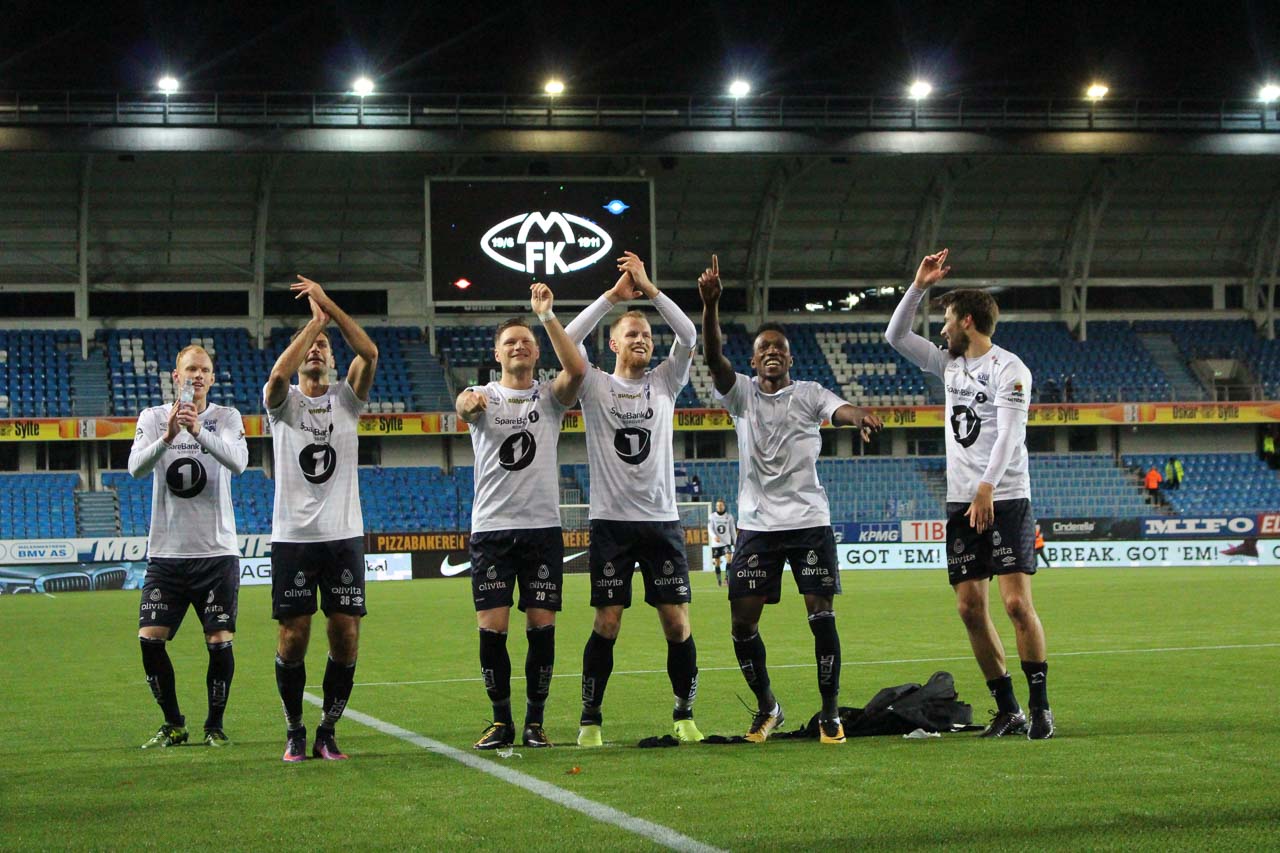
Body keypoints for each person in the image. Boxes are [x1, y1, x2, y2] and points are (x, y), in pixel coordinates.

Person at [701, 254, 884, 744]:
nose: (772, 353)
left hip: (807, 521)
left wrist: (860, 415)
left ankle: (829, 714)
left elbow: (841, 408)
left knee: (820, 616)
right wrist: (711, 306)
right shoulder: (740, 395)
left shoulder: (809, 392)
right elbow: (714, 359)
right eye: (764, 349)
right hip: (758, 527)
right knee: (742, 624)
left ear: (790, 357)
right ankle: (768, 707)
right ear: (755, 360)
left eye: (779, 347)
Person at [885, 248, 1054, 740]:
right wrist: (918, 285)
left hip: (1004, 496)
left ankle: (1040, 707)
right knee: (968, 608)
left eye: (947, 321)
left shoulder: (1011, 369)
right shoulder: (949, 367)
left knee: (1016, 605)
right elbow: (895, 336)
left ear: (970, 322)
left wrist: (987, 488)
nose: (941, 330)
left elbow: (1009, 435)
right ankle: (1008, 709)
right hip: (962, 500)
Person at [563, 251, 704, 746]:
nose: (642, 338)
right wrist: (610, 299)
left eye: (647, 333)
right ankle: (590, 717)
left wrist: (651, 289)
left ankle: (684, 713)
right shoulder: (594, 384)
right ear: (613, 342)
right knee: (607, 621)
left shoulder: (667, 381)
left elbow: (689, 337)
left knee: (676, 623)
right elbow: (565, 341)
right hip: (611, 525)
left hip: (662, 522)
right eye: (633, 333)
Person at [457, 283, 586, 750]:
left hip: (542, 532)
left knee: (541, 628)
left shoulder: (550, 397)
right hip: (492, 531)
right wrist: (467, 405)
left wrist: (548, 317)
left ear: (536, 352)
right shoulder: (481, 394)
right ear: (497, 354)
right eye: (510, 342)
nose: (518, 346)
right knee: (492, 629)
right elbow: (464, 405)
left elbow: (577, 368)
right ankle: (500, 720)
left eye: (525, 341)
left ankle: (535, 721)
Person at [265, 276, 378, 762]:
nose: (317, 350)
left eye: (324, 345)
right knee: (293, 636)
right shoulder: (284, 405)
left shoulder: (347, 402)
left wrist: (328, 307)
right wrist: (312, 325)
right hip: (292, 537)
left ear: (332, 359)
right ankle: (294, 727)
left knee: (346, 632)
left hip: (343, 536)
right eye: (311, 345)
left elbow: (369, 353)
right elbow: (275, 380)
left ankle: (328, 729)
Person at [131, 345, 248, 748]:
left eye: (205, 370)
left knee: (218, 642)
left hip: (216, 554)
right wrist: (168, 437)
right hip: (166, 554)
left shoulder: (226, 418)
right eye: (190, 369)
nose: (197, 375)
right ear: (176, 376)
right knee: (150, 639)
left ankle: (214, 725)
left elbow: (238, 462)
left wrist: (198, 430)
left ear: (212, 378)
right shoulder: (152, 417)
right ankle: (174, 723)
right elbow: (135, 467)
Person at [707, 499, 737, 587]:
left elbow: (732, 530)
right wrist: (714, 537)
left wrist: (735, 542)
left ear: (724, 506)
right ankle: (719, 580)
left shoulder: (729, 517)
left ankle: (727, 579)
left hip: (726, 543)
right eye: (717, 506)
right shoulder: (712, 516)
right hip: (716, 544)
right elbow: (710, 528)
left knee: (729, 559)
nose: (719, 507)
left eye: (721, 505)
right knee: (717, 562)